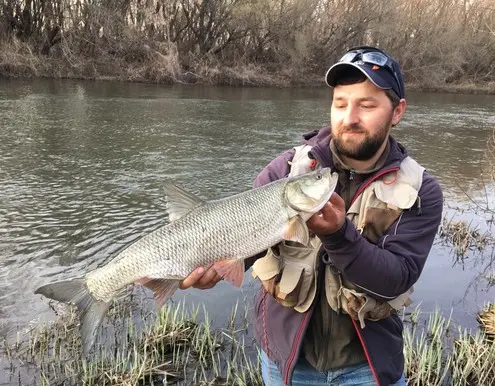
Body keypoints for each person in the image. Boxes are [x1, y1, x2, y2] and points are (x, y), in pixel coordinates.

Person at [179, 46, 443, 386]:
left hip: (368, 367)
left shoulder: (423, 190)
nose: (349, 117)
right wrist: (215, 265)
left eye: (367, 105)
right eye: (340, 103)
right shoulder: (285, 169)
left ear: (397, 111)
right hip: (286, 362)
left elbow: (398, 277)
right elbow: (248, 242)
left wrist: (338, 235)